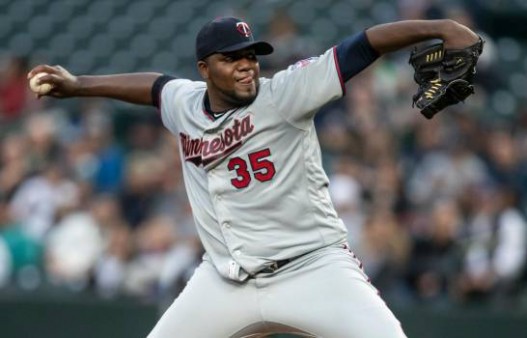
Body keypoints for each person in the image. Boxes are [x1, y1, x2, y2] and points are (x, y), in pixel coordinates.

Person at [28, 16, 479, 338]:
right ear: (204, 69)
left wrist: (442, 28)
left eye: (251, 56)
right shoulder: (185, 103)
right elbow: (154, 87)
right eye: (232, 58)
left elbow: (363, 45)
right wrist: (79, 84)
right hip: (224, 281)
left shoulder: (285, 92)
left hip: (313, 268)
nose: (247, 65)